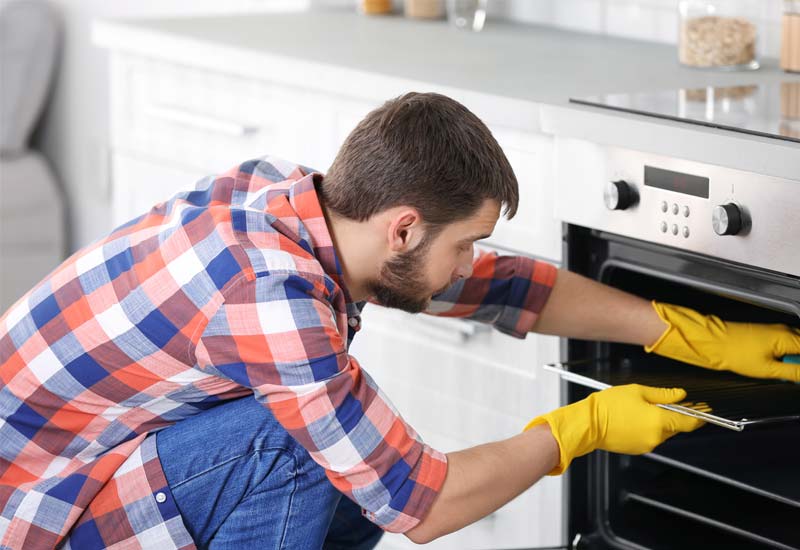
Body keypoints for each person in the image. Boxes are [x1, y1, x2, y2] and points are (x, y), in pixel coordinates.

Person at [1, 92, 799, 550]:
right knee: (302, 448)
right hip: (41, 518)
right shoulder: (272, 298)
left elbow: (500, 288)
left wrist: (679, 329)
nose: (469, 263)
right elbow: (423, 504)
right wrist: (580, 429)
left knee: (344, 447)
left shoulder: (288, 197)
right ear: (405, 227)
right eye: (466, 242)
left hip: (80, 466)